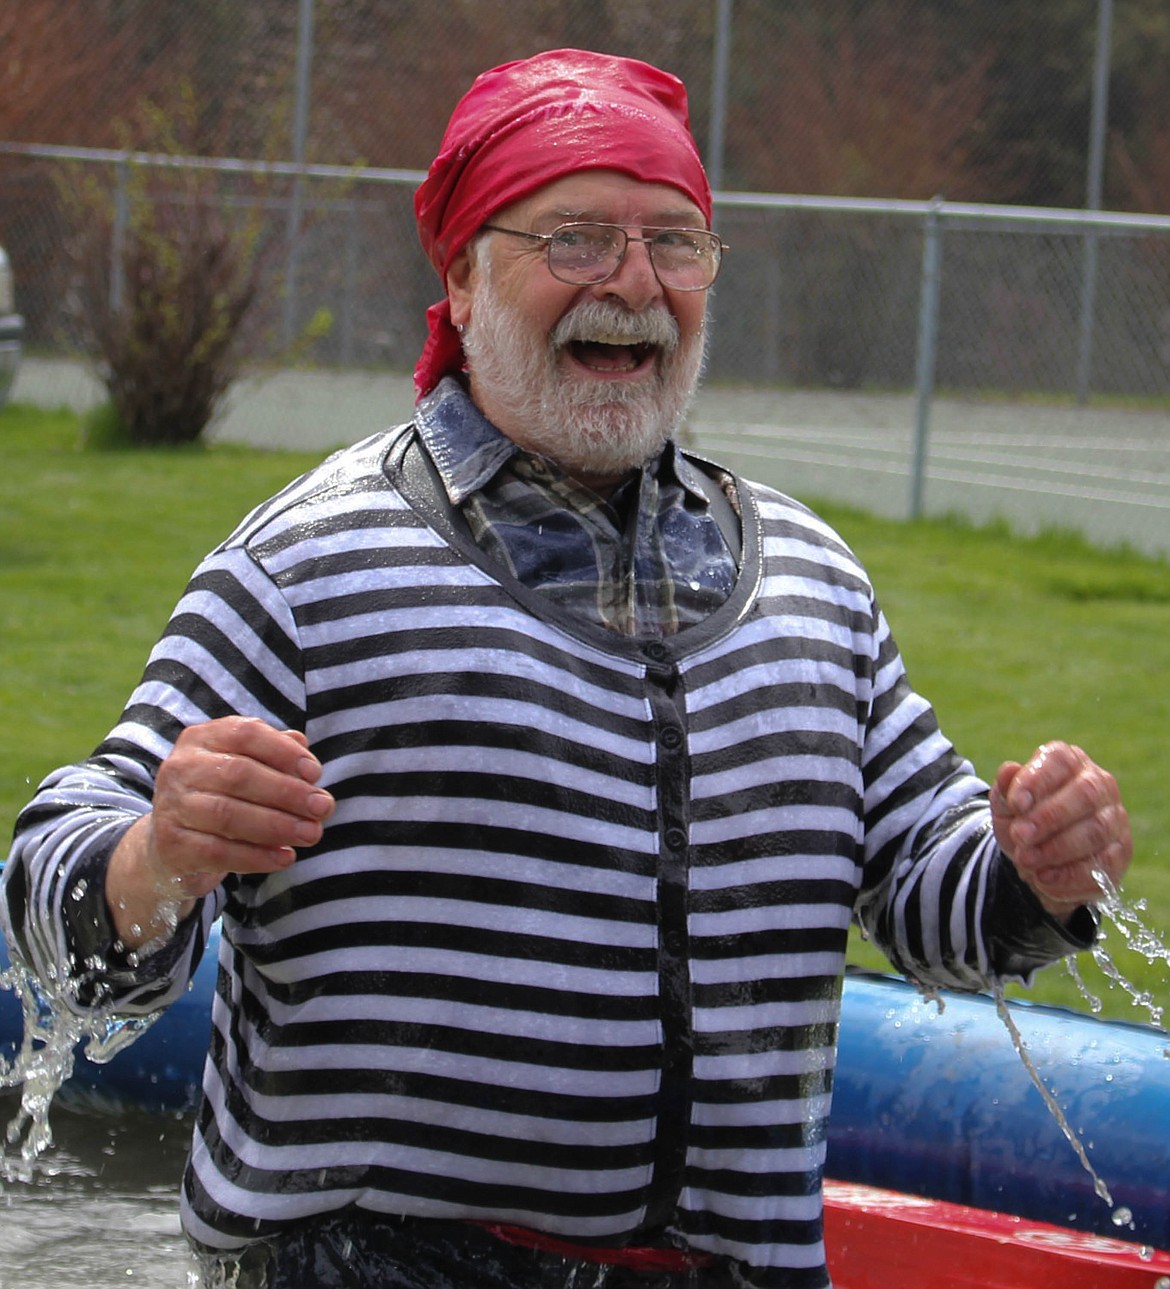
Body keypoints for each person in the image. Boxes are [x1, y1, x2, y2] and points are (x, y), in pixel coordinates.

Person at [1, 49, 1131, 1289]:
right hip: (367, 1263)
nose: (636, 284)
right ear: (464, 273)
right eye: (579, 239)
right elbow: (53, 891)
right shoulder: (314, 567)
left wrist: (1031, 868)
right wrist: (157, 853)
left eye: (677, 241)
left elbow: (928, 894)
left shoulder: (813, 584)